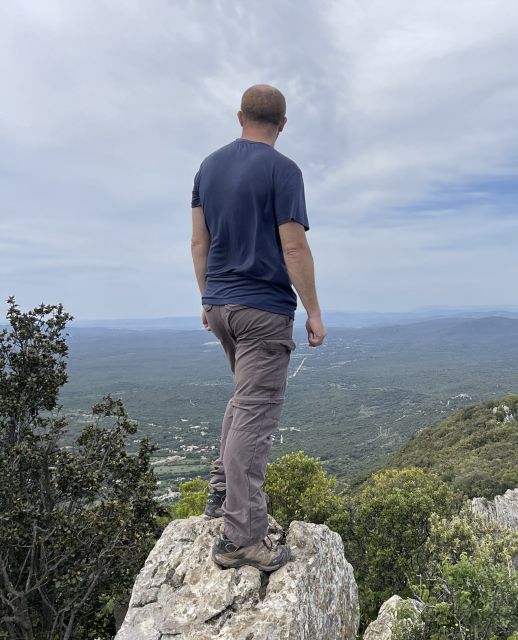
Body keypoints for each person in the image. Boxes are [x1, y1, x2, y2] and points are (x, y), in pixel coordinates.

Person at [190, 84, 327, 572]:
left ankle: (222, 492)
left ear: (239, 116)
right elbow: (293, 248)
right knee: (256, 413)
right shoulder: (284, 171)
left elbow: (198, 243)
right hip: (264, 310)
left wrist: (208, 299)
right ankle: (241, 538)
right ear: (283, 124)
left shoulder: (208, 168)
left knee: (242, 401)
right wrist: (312, 310)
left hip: (222, 306)